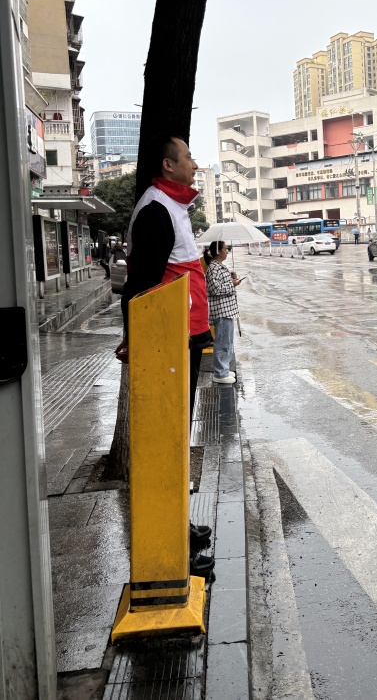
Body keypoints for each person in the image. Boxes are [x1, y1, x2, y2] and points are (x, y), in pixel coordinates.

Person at [115, 134, 214, 577]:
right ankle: (171, 544)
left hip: (184, 336)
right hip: (168, 342)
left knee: (178, 435)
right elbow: (141, 287)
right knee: (169, 436)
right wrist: (133, 337)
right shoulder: (156, 209)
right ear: (168, 165)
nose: (195, 163)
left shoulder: (174, 206)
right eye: (188, 157)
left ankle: (180, 526)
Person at [206, 240, 243, 385]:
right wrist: (231, 284)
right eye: (225, 249)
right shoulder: (214, 268)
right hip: (221, 311)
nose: (227, 251)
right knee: (222, 342)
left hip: (227, 310)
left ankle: (224, 370)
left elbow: (223, 285)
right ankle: (220, 373)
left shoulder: (220, 267)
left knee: (227, 342)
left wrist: (233, 280)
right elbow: (215, 289)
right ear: (218, 251)